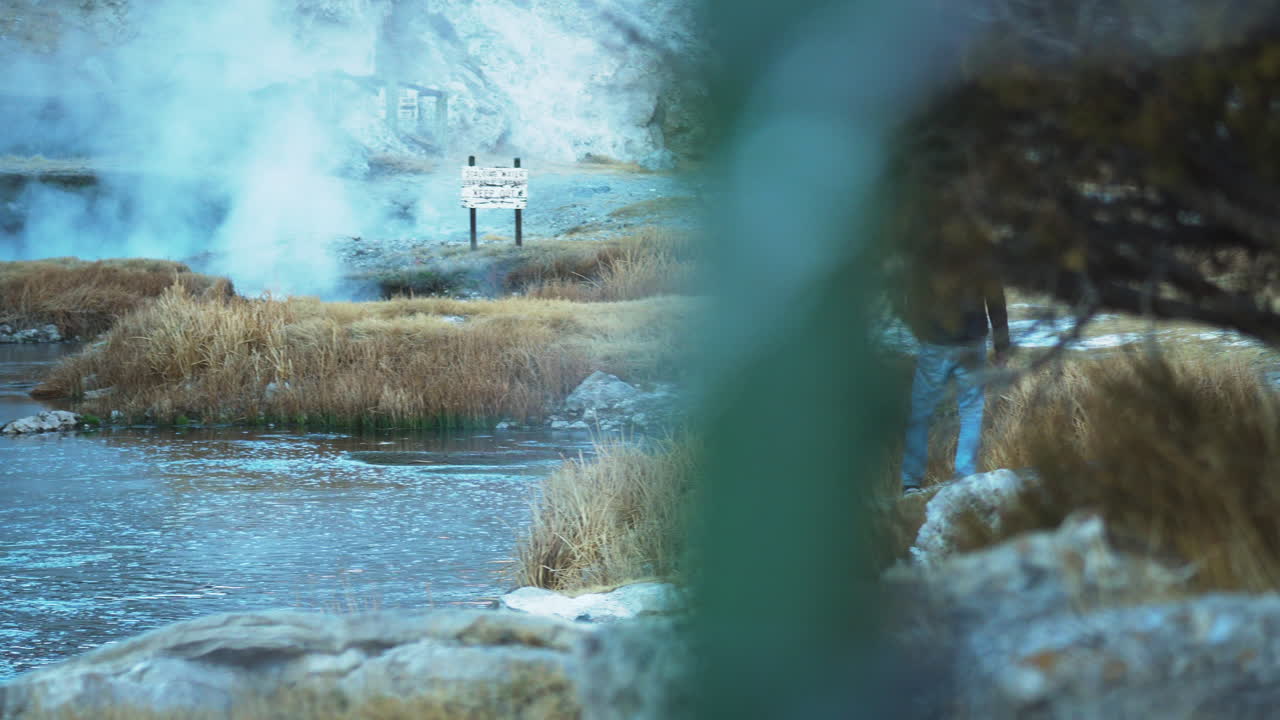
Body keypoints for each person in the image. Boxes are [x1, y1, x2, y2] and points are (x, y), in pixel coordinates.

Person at [898, 260, 1011, 495]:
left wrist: (921, 332)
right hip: (972, 341)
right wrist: (1002, 346)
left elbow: (910, 297)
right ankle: (964, 477)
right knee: (971, 410)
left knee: (920, 410)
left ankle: (911, 483)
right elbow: (996, 301)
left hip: (936, 341)